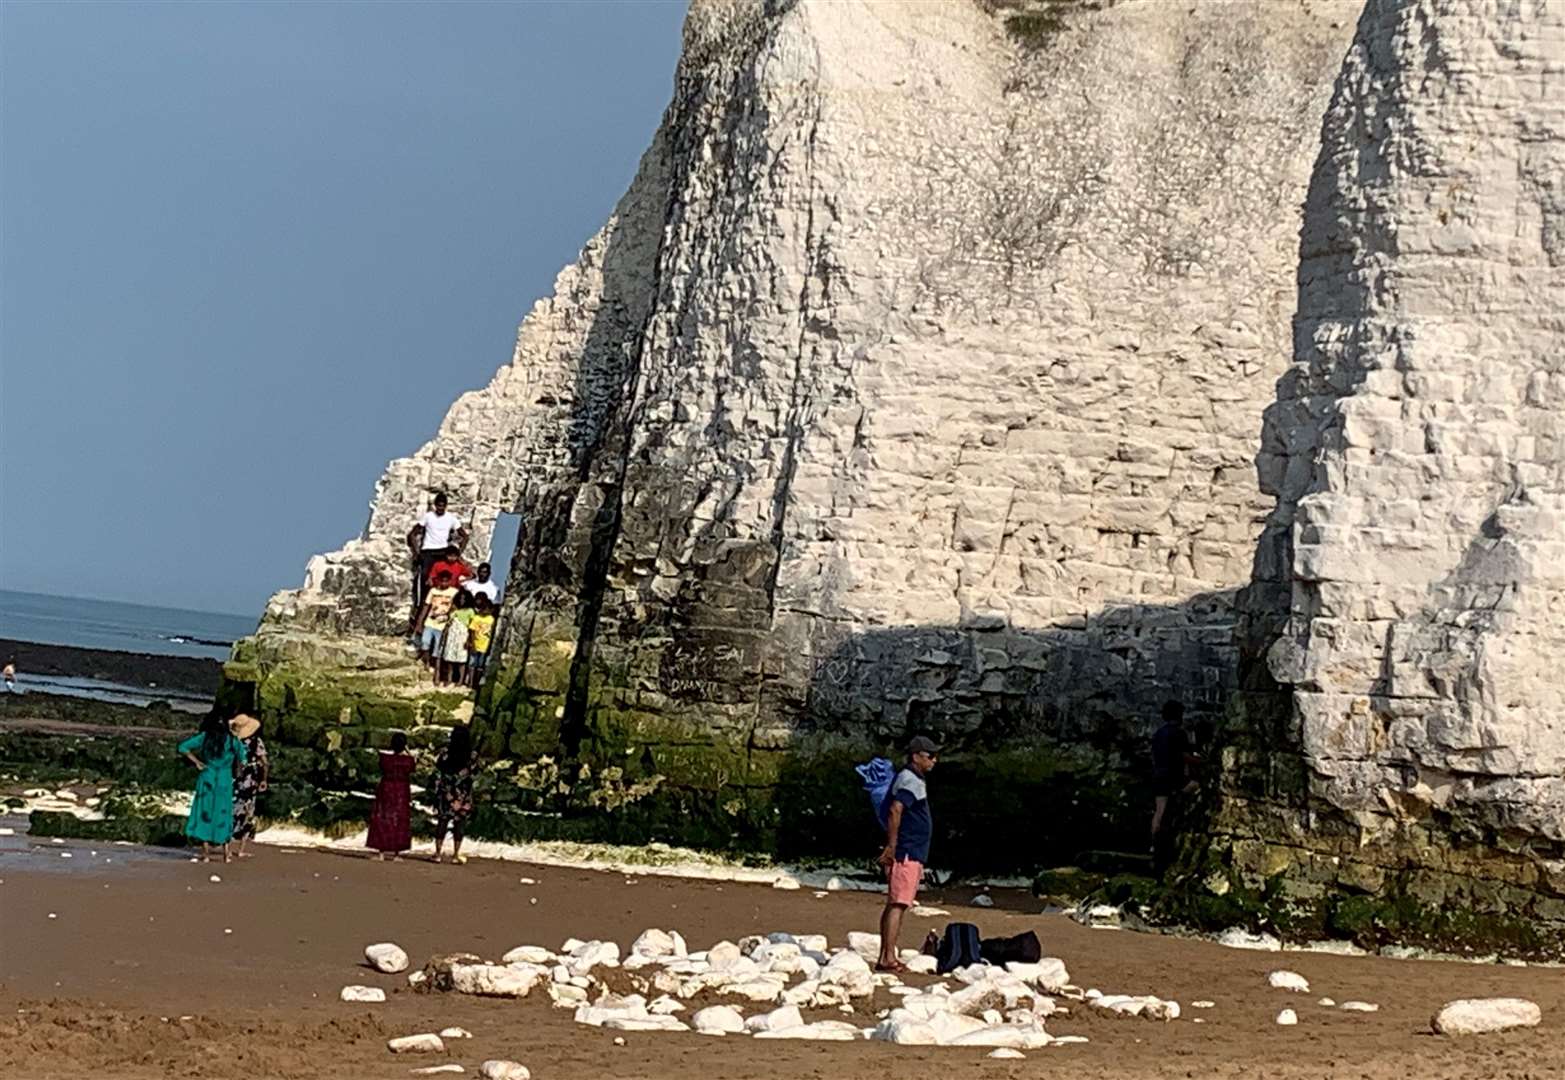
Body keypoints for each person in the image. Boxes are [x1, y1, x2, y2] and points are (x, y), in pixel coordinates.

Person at [876, 735, 938, 973]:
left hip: (909, 850)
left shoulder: (911, 779)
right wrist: (892, 846)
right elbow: (896, 810)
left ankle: (886, 954)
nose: (934, 760)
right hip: (907, 852)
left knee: (896, 902)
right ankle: (887, 958)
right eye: (929, 755)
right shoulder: (910, 780)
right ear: (916, 756)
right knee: (898, 903)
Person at [178, 710, 248, 863]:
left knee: (204, 812)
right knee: (223, 813)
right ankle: (226, 853)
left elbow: (183, 747)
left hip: (207, 776)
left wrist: (197, 762)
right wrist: (237, 771)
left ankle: (206, 854)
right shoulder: (232, 741)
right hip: (224, 778)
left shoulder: (205, 738)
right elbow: (243, 758)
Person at [1150, 700, 1200, 874]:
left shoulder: (1158, 734)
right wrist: (1203, 762)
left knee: (1159, 811)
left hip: (1158, 776)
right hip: (1174, 778)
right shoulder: (1178, 734)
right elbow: (1185, 756)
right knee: (1196, 787)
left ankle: (1154, 844)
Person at [406, 493, 469, 627]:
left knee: (444, 581)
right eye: (438, 506)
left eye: (442, 506)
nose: (440, 508)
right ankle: (419, 611)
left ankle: (440, 610)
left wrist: (458, 554)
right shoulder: (428, 516)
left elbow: (465, 536)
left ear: (446, 506)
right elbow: (412, 534)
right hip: (428, 551)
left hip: (443, 552)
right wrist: (416, 553)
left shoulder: (451, 518)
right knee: (425, 582)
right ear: (435, 505)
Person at [432, 724, 477, 865]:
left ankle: (438, 854)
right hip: (464, 794)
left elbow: (437, 770)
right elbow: (474, 774)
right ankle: (456, 855)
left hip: (447, 792)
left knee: (442, 821)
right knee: (460, 824)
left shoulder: (445, 752)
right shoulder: (472, 755)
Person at [367, 731, 415, 860]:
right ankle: (397, 853)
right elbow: (413, 766)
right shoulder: (408, 761)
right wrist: (407, 751)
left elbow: (381, 767)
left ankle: (381, 852)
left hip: (386, 789)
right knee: (400, 820)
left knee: (383, 818)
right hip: (402, 791)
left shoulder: (385, 759)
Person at [229, 713, 269, 859]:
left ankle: (226, 846)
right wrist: (263, 780)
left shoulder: (232, 742)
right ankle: (241, 849)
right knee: (248, 812)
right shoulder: (255, 742)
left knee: (231, 810)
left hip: (232, 778)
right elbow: (264, 762)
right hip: (250, 779)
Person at [414, 570, 459, 671]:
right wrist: (420, 622)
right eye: (442, 581)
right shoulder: (433, 591)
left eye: (446, 581)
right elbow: (426, 606)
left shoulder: (454, 592)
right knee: (425, 642)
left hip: (443, 623)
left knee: (438, 646)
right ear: (438, 581)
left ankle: (435, 665)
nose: (444, 583)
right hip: (430, 621)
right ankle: (427, 662)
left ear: (450, 581)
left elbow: (455, 608)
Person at [440, 590, 474, 686]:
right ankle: (449, 678)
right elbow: (448, 622)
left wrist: (469, 640)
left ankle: (460, 680)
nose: (461, 601)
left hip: (463, 635)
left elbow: (471, 628)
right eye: (460, 598)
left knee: (461, 659)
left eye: (464, 599)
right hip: (452, 635)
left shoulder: (470, 611)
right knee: (449, 658)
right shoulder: (454, 610)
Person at [465, 594, 496, 688]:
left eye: (487, 609)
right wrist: (472, 643)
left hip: (485, 646)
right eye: (483, 608)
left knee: (480, 665)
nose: (485, 611)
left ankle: (476, 683)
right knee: (471, 664)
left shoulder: (491, 619)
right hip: (476, 644)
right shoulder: (476, 618)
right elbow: (472, 631)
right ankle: (470, 682)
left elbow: (492, 633)